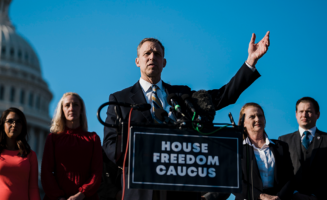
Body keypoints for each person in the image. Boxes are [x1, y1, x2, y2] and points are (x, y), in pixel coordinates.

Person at [103, 32, 270, 200]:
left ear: (164, 62)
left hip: (180, 189)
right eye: (147, 53)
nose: (152, 57)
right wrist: (145, 153)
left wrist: (251, 62)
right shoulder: (120, 99)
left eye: (157, 54)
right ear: (137, 61)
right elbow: (110, 145)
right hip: (140, 189)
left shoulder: (181, 95)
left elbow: (222, 96)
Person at [41, 92, 103, 200]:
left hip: (86, 197)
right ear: (62, 110)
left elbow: (97, 172)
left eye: (75, 105)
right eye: (67, 105)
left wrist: (81, 194)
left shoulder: (93, 138)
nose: (71, 108)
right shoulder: (53, 138)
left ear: (81, 110)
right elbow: (46, 171)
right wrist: (59, 197)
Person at [232, 103, 294, 200]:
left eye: (260, 116)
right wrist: (261, 196)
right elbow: (234, 182)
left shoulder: (281, 146)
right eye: (252, 117)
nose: (257, 119)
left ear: (264, 119)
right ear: (243, 122)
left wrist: (278, 197)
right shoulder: (236, 148)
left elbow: (290, 178)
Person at [278, 97, 327, 200]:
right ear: (296, 114)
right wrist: (293, 193)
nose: (304, 115)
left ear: (317, 115)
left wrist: (316, 196)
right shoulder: (283, 141)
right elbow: (280, 173)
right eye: (301, 111)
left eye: (308, 111)